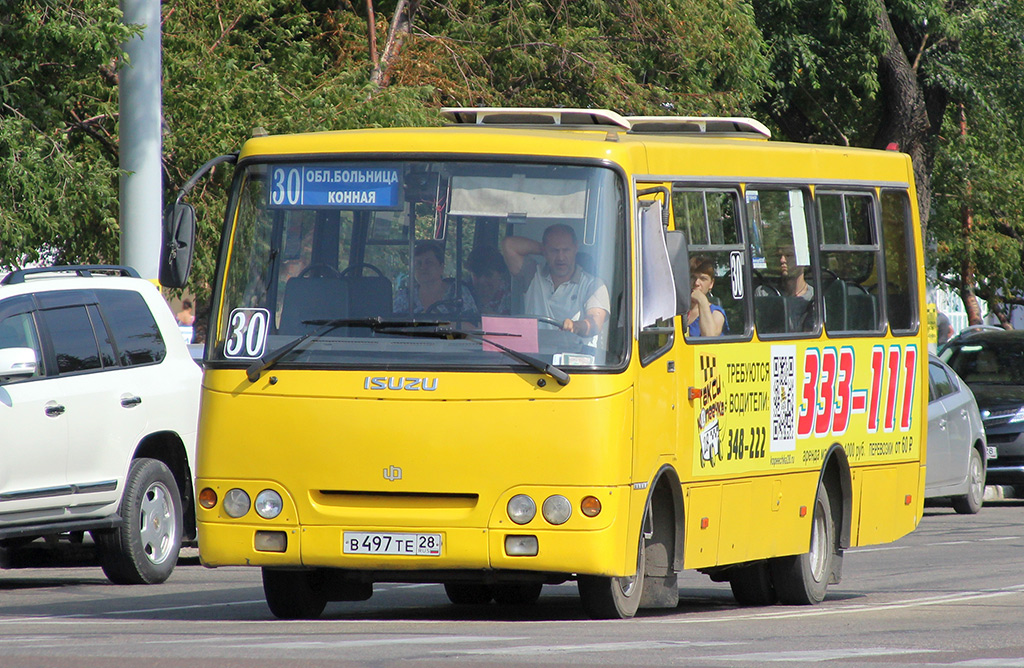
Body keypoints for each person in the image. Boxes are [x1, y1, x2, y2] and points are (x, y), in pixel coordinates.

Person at [501, 224, 609, 339]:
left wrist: (575, 326)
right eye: (554, 251)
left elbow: (595, 324)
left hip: (575, 355)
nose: (560, 257)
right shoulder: (532, 274)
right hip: (531, 355)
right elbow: (508, 245)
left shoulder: (594, 285)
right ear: (545, 251)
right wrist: (545, 249)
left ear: (575, 248)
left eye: (566, 250)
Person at [393, 240, 476, 315]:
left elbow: (474, 325)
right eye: (418, 263)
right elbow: (393, 326)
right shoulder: (405, 296)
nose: (423, 267)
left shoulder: (458, 292)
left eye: (429, 262)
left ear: (441, 267)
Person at [687, 255, 727, 337]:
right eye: (692, 277)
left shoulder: (716, 314)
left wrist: (702, 301)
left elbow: (710, 337)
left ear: (711, 284)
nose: (696, 283)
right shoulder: (678, 310)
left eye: (703, 279)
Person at [467, 246, 511, 315]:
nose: (482, 281)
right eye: (477, 275)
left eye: (488, 275)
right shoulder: (462, 295)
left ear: (501, 275)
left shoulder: (513, 299)